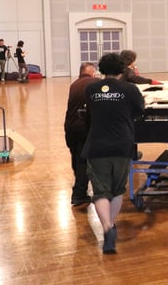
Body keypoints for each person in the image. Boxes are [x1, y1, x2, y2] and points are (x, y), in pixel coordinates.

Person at [84, 53, 145, 254]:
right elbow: (139, 111)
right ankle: (111, 223)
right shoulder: (130, 89)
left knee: (100, 191)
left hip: (97, 144)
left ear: (101, 69)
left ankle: (107, 228)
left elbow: (90, 112)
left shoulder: (91, 89)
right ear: (122, 69)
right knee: (117, 190)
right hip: (122, 144)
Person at [64, 62, 100, 206]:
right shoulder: (94, 82)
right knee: (83, 161)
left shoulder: (74, 84)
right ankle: (79, 194)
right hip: (83, 127)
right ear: (91, 72)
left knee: (77, 159)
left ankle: (80, 189)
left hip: (70, 127)